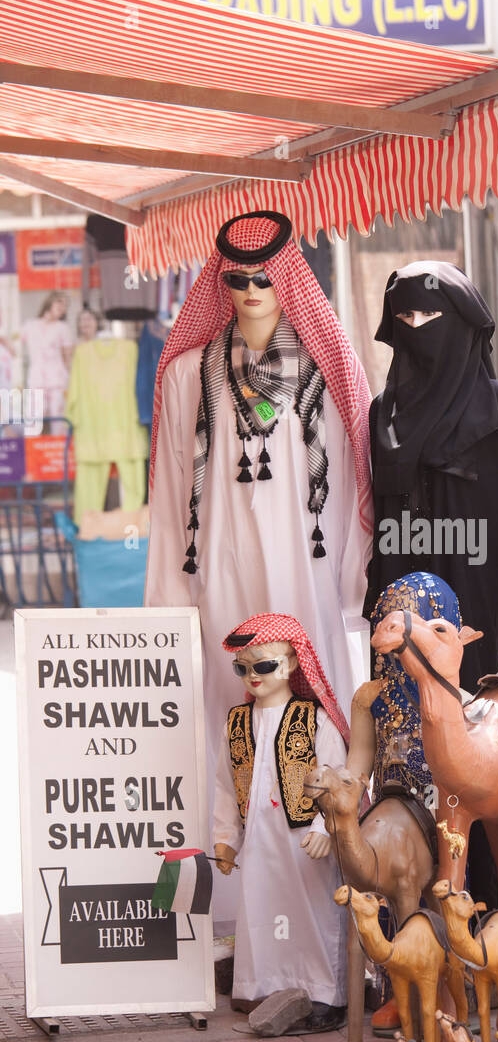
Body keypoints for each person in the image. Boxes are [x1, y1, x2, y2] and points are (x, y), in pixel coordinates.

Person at [144, 212, 373, 915]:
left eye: (265, 276)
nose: (250, 289)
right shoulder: (189, 374)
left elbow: (354, 486)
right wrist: (170, 598)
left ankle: (324, 912)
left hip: (303, 572)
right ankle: (236, 921)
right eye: (236, 277)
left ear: (290, 277)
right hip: (220, 569)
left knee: (310, 708)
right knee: (230, 713)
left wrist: (349, 583)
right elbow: (170, 488)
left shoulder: (325, 368)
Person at [364, 261, 498, 689]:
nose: (417, 328)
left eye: (430, 316)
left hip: (477, 585)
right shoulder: (384, 410)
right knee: (402, 714)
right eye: (405, 317)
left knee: (473, 720)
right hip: (401, 587)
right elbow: (380, 512)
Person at [213, 613, 349, 1030]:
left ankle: (323, 992)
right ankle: (263, 985)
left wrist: (325, 829)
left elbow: (337, 776)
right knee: (259, 906)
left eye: (264, 666)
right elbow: (224, 783)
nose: (252, 676)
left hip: (304, 840)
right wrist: (224, 839)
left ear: (291, 664)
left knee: (312, 912)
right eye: (243, 668)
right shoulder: (237, 722)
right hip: (257, 839)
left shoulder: (313, 718)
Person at [348, 571, 462, 1034]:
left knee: (443, 898)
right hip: (391, 806)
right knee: (393, 902)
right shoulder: (369, 697)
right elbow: (359, 762)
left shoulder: (455, 695)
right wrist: (339, 809)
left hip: (442, 809)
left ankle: (452, 993)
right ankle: (401, 991)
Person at [65, 308, 148, 523]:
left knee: (89, 486)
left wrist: (73, 418)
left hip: (94, 432)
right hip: (125, 429)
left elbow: (72, 397)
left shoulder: (84, 354)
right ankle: (134, 530)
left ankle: (87, 529)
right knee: (133, 484)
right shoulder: (130, 349)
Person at [20, 291, 73, 419]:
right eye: (59, 302)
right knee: (33, 421)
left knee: (57, 419)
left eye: (65, 305)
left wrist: (69, 381)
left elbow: (67, 358)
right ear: (50, 302)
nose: (62, 307)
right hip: (36, 379)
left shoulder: (63, 328)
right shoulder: (30, 325)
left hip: (57, 381)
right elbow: (15, 345)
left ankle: (59, 439)